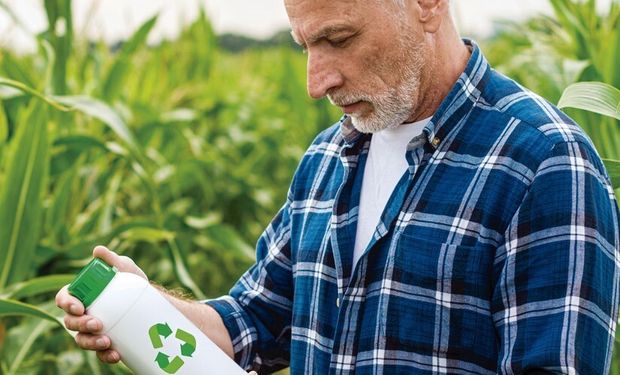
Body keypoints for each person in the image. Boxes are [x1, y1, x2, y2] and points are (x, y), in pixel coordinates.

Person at [56, 0, 620, 373]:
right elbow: (253, 320)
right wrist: (148, 305)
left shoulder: (544, 162)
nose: (314, 81)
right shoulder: (328, 156)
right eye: (305, 45)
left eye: (339, 38)